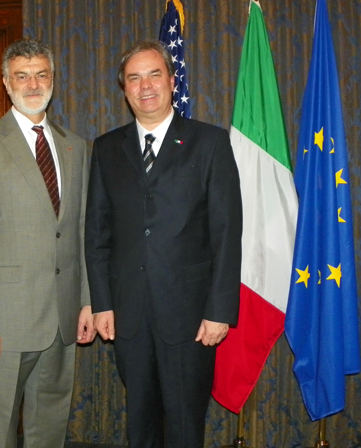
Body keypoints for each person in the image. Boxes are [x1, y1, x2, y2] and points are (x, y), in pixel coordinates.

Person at [85, 40, 243, 448]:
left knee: (185, 424)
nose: (145, 86)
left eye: (155, 74)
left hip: (190, 318)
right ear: (124, 89)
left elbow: (227, 232)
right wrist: (102, 302)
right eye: (134, 78)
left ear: (173, 82)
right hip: (128, 316)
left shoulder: (210, 143)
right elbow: (97, 234)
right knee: (140, 423)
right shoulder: (106, 148)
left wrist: (219, 310)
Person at [0, 39, 95, 448]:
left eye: (41, 74)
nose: (33, 84)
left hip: (62, 316)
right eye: (22, 75)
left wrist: (85, 300)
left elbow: (81, 229)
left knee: (49, 427)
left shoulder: (75, 147)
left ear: (53, 79)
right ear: (5, 82)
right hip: (4, 321)